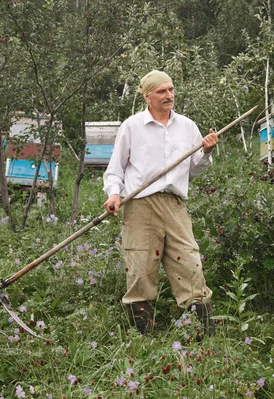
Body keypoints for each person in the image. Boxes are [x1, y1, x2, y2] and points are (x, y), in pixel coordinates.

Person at [103, 70, 218, 337]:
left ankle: (202, 337)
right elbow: (114, 170)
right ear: (148, 96)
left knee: (190, 265)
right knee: (140, 268)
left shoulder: (187, 126)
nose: (169, 95)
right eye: (162, 91)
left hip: (175, 205)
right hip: (140, 206)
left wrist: (207, 152)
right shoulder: (131, 126)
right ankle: (143, 340)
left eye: (171, 90)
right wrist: (113, 194)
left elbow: (195, 169)